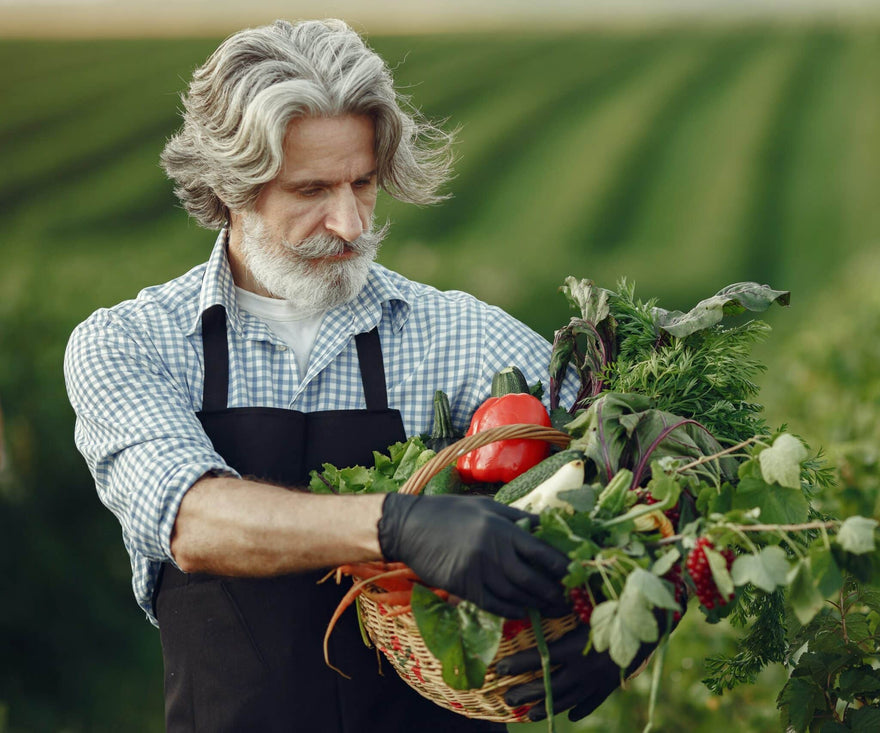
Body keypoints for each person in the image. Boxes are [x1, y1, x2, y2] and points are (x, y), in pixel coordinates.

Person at [63, 18, 645, 732]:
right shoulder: (136, 343)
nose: (348, 222)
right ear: (231, 187)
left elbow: (647, 466)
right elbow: (192, 519)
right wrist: (397, 525)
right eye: (311, 189)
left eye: (363, 183)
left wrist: (623, 626)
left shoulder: (459, 337)